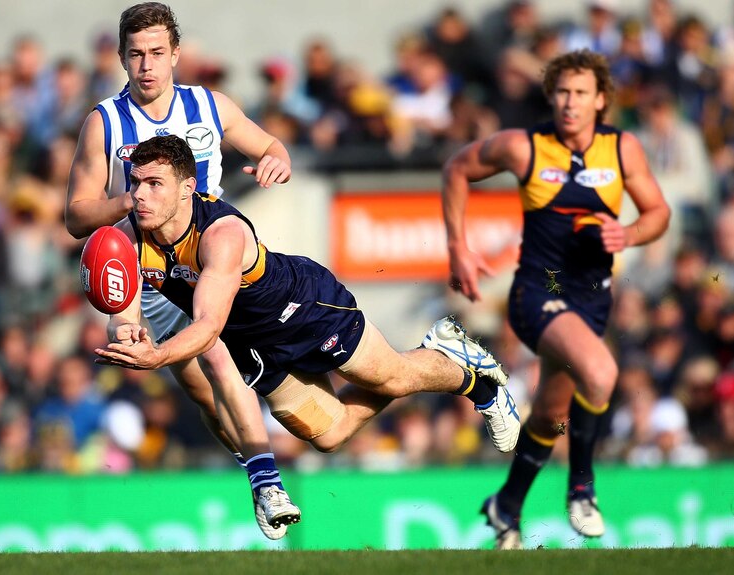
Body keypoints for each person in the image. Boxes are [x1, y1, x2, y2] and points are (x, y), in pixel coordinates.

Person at [91, 134, 521, 482]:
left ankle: (475, 384)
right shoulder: (127, 237)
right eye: (135, 183)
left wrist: (160, 356)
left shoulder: (220, 235)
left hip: (303, 309)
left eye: (154, 184)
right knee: (330, 435)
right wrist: (127, 333)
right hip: (253, 343)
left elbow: (207, 325)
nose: (139, 196)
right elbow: (123, 309)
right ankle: (436, 348)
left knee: (393, 378)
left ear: (188, 188)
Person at [64, 2, 296, 539]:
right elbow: (77, 215)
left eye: (157, 53)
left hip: (200, 258)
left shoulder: (209, 107)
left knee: (215, 354)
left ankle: (267, 481)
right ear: (122, 58)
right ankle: (252, 464)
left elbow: (270, 145)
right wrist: (132, 200)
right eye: (136, 54)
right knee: (199, 392)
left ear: (176, 55)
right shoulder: (104, 122)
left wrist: (275, 159)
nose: (147, 65)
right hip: (142, 269)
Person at [441, 49, 670, 549]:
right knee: (602, 373)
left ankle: (506, 505)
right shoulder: (525, 147)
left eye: (581, 93)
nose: (570, 102)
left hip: (593, 299)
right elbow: (457, 169)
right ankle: (582, 489)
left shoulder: (622, 149)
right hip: (537, 291)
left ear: (601, 100)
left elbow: (657, 213)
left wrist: (629, 235)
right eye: (562, 92)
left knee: (549, 413)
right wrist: (459, 246)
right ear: (551, 95)